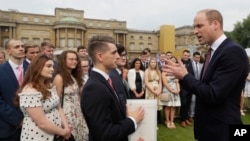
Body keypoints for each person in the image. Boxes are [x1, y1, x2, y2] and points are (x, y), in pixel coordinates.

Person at [165, 9, 249, 141]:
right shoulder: (213, 52)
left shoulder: (233, 52)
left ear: (215, 24)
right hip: (209, 131)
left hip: (223, 132)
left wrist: (185, 76)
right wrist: (183, 76)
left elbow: (213, 94)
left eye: (199, 26)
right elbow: (204, 87)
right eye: (194, 27)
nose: (195, 31)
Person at [81, 35, 144, 141]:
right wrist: (132, 120)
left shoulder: (106, 80)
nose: (118, 57)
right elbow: (105, 134)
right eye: (114, 53)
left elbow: (113, 119)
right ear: (100, 56)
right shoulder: (94, 88)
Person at [15, 54, 71, 141]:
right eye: (48, 66)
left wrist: (66, 128)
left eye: (52, 66)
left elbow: (58, 107)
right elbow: (42, 123)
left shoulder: (49, 86)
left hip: (57, 135)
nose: (52, 69)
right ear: (37, 67)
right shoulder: (30, 91)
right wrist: (63, 132)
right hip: (38, 137)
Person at [53, 50, 89, 141]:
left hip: (78, 114)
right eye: (71, 59)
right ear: (63, 61)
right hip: (67, 115)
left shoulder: (74, 76)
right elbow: (55, 101)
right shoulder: (59, 77)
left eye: (76, 59)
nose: (74, 61)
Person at [0, 39, 27, 141]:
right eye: (17, 47)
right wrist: (17, 120)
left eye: (22, 46)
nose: (21, 49)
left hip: (33, 126)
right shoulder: (1, 71)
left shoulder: (32, 69)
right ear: (8, 51)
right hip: (8, 129)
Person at [161, 56, 180, 129]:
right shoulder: (164, 71)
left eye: (173, 62)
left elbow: (177, 82)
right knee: (168, 106)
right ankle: (167, 121)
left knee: (173, 107)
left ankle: (172, 121)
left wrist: (178, 89)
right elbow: (165, 83)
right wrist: (172, 90)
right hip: (167, 90)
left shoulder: (176, 72)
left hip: (175, 91)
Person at [144, 57, 162, 124]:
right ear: (149, 63)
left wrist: (159, 90)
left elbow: (160, 82)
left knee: (157, 104)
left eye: (154, 62)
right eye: (152, 62)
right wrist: (153, 91)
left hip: (157, 90)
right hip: (150, 90)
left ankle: (157, 120)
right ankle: (150, 119)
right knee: (150, 104)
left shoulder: (158, 71)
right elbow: (146, 82)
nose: (153, 64)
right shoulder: (147, 71)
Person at [179, 50, 194, 128]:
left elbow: (192, 74)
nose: (186, 57)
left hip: (190, 87)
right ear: (182, 55)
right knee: (183, 103)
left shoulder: (190, 63)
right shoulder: (179, 63)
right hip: (183, 87)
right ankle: (182, 120)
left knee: (188, 103)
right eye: (185, 55)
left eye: (188, 55)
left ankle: (186, 118)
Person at [189, 51, 203, 119]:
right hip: (193, 85)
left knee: (199, 101)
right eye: (196, 57)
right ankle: (191, 114)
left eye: (199, 57)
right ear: (193, 57)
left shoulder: (201, 65)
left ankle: (197, 113)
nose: (198, 59)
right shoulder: (191, 64)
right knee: (193, 100)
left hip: (200, 85)